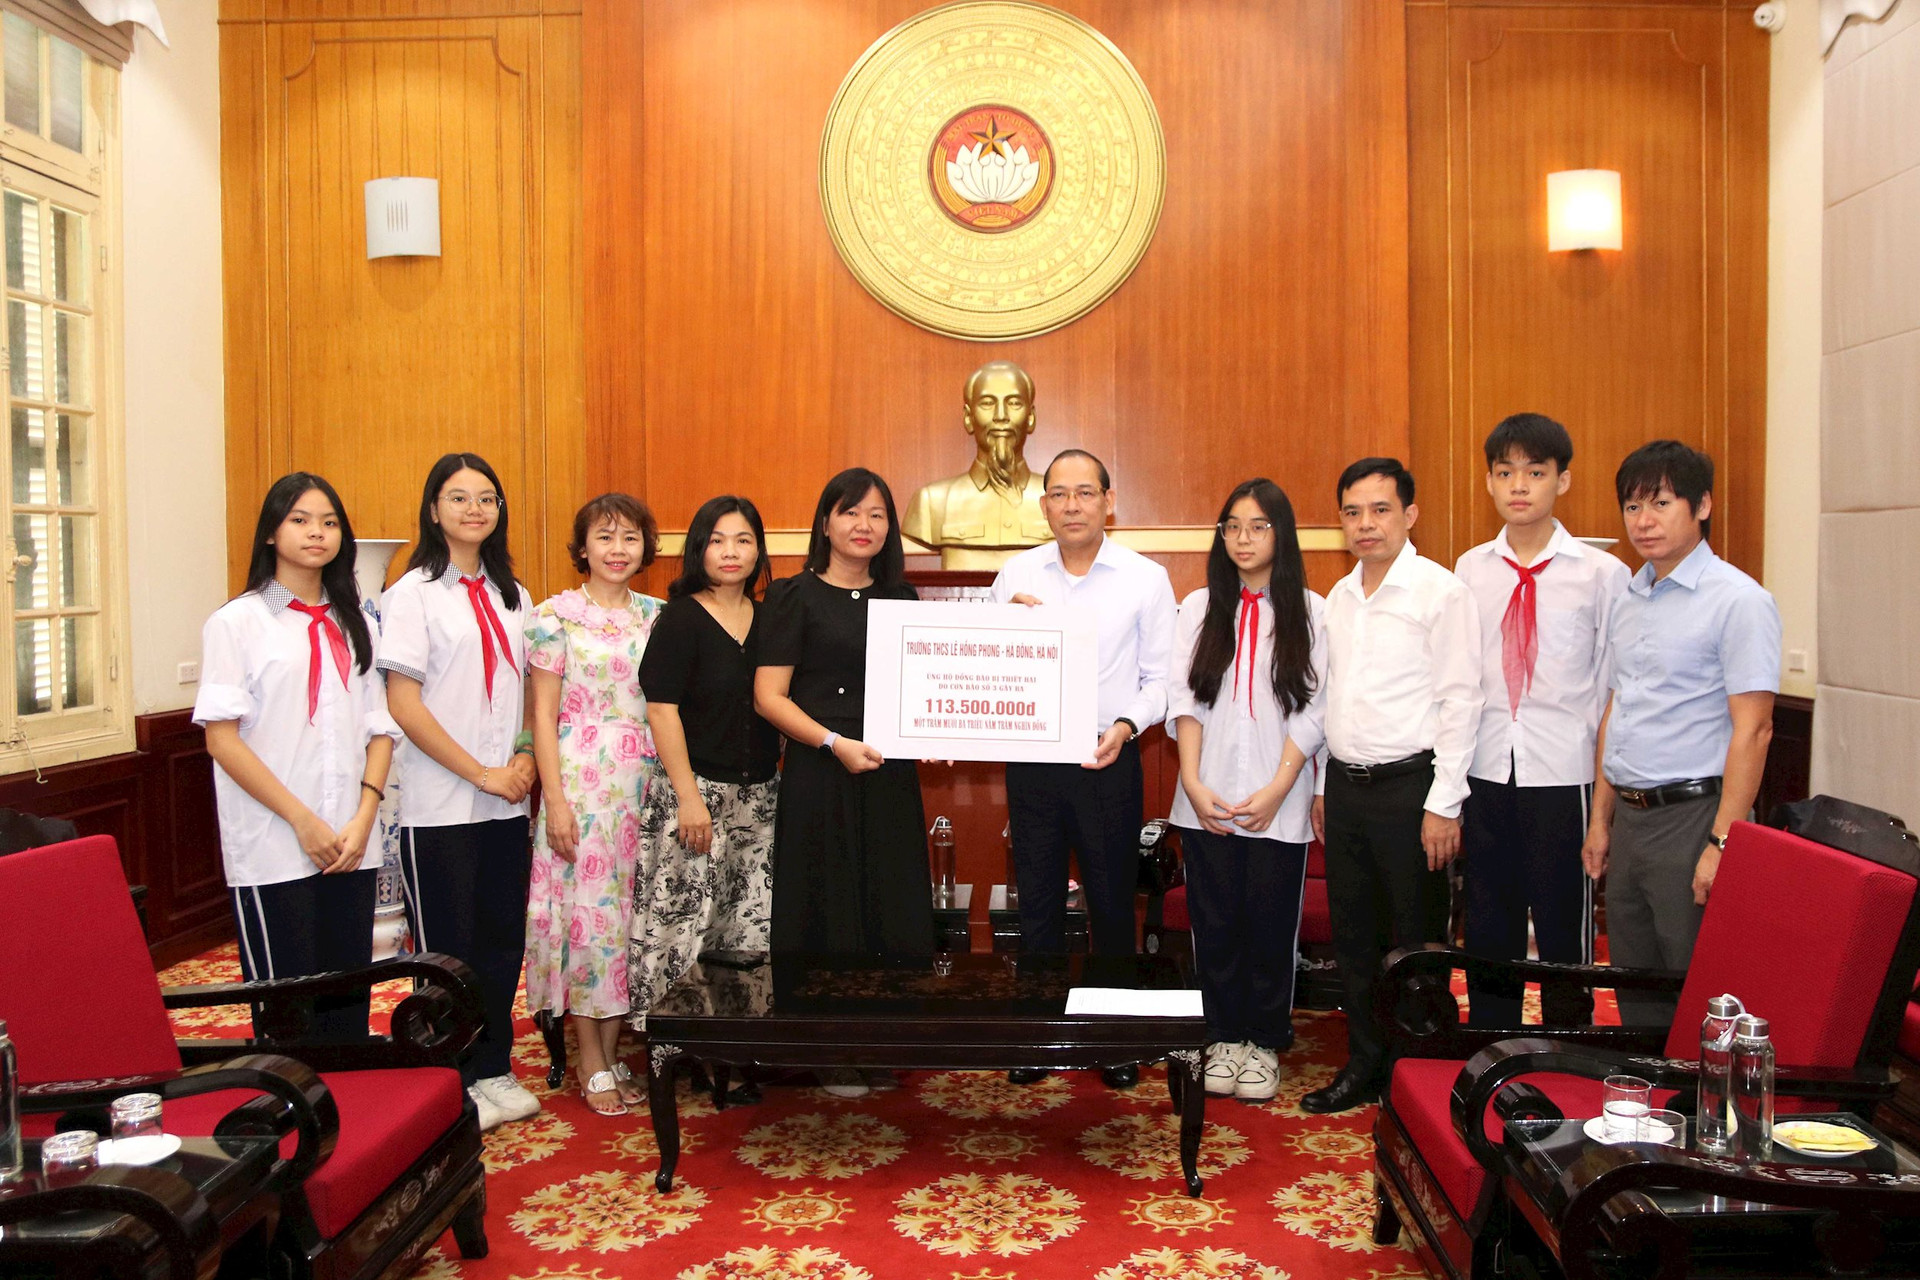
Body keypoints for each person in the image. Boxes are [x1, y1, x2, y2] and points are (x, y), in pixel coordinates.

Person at [991, 449, 1176, 1090]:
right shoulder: (1015, 572)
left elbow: (1160, 681)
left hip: (1108, 757)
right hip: (1034, 760)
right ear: (1044, 505)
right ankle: (1039, 1037)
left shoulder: (1145, 579)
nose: (1072, 505)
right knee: (1037, 903)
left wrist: (1125, 727)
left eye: (1085, 493)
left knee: (1110, 904)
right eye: (1059, 494)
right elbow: (991, 664)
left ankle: (1114, 1041)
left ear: (1108, 501)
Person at [1304, 457, 1482, 1114]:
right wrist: (1323, 784)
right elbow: (1332, 702)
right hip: (1347, 790)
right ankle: (1364, 1064)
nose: (1365, 524)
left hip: (1413, 792)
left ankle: (1419, 1076)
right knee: (1354, 941)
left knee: (1416, 942)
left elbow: (1463, 701)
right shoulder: (1340, 599)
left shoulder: (1441, 593)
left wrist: (1444, 802)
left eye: (1380, 510)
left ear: (1410, 514)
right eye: (1352, 512)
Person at [1582, 440, 1779, 1027]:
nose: (1644, 521)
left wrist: (1723, 843)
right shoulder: (1630, 595)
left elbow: (1756, 729)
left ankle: (1708, 1113)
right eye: (1633, 506)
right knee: (1636, 982)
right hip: (1633, 818)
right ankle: (1654, 1112)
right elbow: (1619, 709)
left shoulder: (1739, 600)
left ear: (1702, 506)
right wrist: (1600, 819)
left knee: (1701, 988)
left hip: (1695, 817)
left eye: (1661, 503)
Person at [196, 472, 397, 1043]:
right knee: (288, 1012)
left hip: (351, 840)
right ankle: (294, 1123)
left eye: (330, 522)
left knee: (346, 1001)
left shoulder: (353, 619)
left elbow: (380, 727)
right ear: (270, 533)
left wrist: (364, 816)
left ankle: (352, 1120)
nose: (317, 533)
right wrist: (302, 820)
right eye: (301, 520)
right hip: (274, 843)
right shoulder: (237, 622)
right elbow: (223, 740)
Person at [754, 468, 932, 1094]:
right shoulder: (791, 596)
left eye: (878, 514)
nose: (864, 525)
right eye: (850, 512)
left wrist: (933, 733)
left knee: (888, 899)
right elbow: (768, 697)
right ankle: (826, 1047)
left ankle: (881, 1040)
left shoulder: (903, 600)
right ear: (825, 521)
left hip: (888, 773)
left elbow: (923, 690)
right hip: (820, 770)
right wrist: (834, 743)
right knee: (825, 905)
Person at [378, 452, 539, 1132]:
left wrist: (526, 755)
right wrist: (482, 772)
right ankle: (452, 1075)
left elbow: (534, 687)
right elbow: (405, 706)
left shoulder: (516, 594)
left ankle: (495, 1066)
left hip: (507, 804)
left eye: (487, 499)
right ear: (433, 509)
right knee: (449, 948)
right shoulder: (410, 594)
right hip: (440, 806)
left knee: (503, 941)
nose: (475, 510)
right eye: (459, 498)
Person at [1455, 414, 1630, 1027]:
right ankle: (1490, 1041)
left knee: (1563, 922)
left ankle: (1567, 1044)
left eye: (1535, 472)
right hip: (1486, 766)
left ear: (1564, 479)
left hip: (1565, 771)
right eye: (1505, 473)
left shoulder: (1603, 574)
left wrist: (1604, 804)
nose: (1519, 486)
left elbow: (1613, 686)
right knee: (1488, 917)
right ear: (1489, 482)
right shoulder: (1470, 569)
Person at [1168, 478, 1326, 1102]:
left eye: (1258, 526)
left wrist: (1279, 787)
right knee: (1215, 921)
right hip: (1205, 795)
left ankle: (1263, 1038)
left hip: (1277, 799)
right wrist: (1191, 780)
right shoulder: (1197, 607)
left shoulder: (1312, 610)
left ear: (1281, 535)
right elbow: (1184, 700)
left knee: (1268, 923)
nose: (1243, 538)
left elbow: (1316, 708)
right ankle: (1223, 1033)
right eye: (1232, 525)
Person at [523, 493, 665, 1118]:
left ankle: (613, 1051)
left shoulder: (658, 616)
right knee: (588, 923)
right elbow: (542, 717)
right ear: (583, 547)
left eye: (630, 538)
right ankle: (588, 1057)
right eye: (604, 538)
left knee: (628, 924)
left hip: (646, 783)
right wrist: (554, 799)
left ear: (646, 548)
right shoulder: (556, 616)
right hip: (582, 784)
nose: (617, 549)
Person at [631, 496, 780, 1030]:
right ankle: (674, 1049)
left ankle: (736, 1053)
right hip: (694, 798)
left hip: (761, 799)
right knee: (681, 931)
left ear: (759, 549)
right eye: (716, 540)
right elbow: (661, 709)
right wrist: (690, 796)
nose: (730, 552)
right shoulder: (681, 619)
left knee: (742, 935)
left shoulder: (770, 618)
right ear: (699, 550)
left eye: (743, 539)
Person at [901, 360, 1052, 569]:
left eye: (1014, 403)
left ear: (1031, 417)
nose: (1001, 416)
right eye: (987, 403)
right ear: (968, 418)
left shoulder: (1059, 500)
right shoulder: (932, 502)